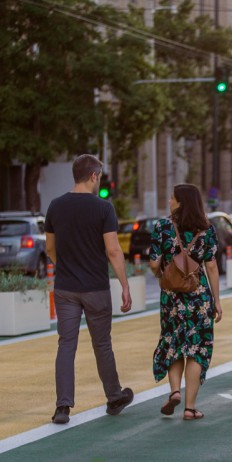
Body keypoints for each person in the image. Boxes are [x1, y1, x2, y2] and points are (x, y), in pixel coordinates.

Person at [45, 154, 134, 424]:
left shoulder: (55, 206)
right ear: (94, 176)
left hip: (65, 288)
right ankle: (114, 396)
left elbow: (50, 248)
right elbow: (113, 250)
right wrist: (125, 285)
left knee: (66, 345)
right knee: (102, 344)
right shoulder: (103, 208)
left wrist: (67, 265)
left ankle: (62, 407)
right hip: (95, 287)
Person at [148, 183, 223, 421]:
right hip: (198, 297)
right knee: (196, 350)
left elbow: (152, 263)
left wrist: (163, 276)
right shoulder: (206, 229)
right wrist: (216, 301)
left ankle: (174, 392)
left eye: (172, 198)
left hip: (171, 298)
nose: (169, 202)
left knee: (173, 343)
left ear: (181, 202)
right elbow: (211, 266)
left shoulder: (162, 226)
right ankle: (190, 408)